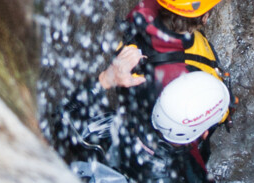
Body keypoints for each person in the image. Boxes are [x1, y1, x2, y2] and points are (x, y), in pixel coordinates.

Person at [116, 0, 236, 166]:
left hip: (135, 112)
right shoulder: (192, 72)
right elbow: (219, 111)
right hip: (172, 137)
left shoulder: (143, 11)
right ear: (204, 16)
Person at [59, 48, 231, 183]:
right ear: (204, 133)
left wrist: (106, 78)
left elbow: (64, 120)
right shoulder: (189, 175)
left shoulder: (115, 128)